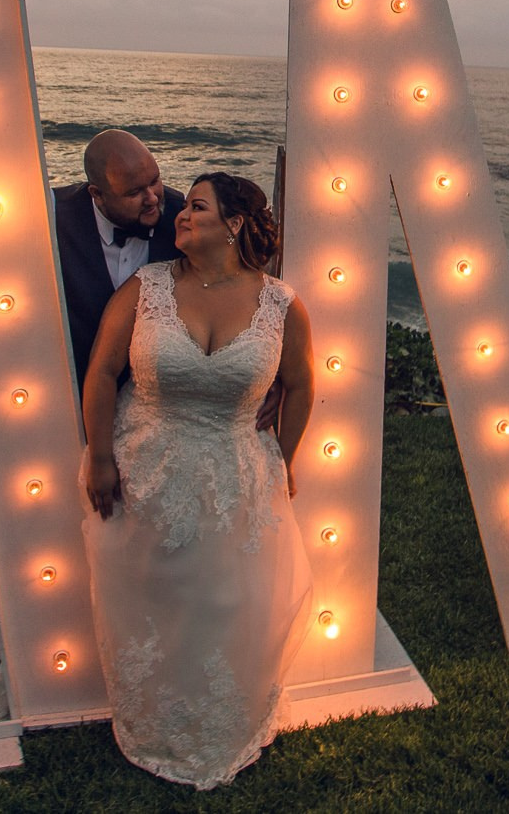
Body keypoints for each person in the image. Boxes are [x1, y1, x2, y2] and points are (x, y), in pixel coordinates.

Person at [80, 171, 315, 789]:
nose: (181, 214)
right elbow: (102, 372)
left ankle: (222, 722)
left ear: (233, 224)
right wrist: (99, 457)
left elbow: (301, 384)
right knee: (154, 598)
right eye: (184, 206)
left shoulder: (280, 304)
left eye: (198, 206)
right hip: (148, 466)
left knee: (227, 602)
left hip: (237, 473)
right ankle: (152, 721)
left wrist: (284, 460)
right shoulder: (146, 288)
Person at [53, 129, 185, 385]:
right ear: (97, 194)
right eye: (134, 193)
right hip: (72, 387)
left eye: (155, 180)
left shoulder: (182, 216)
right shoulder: (53, 217)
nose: (152, 198)